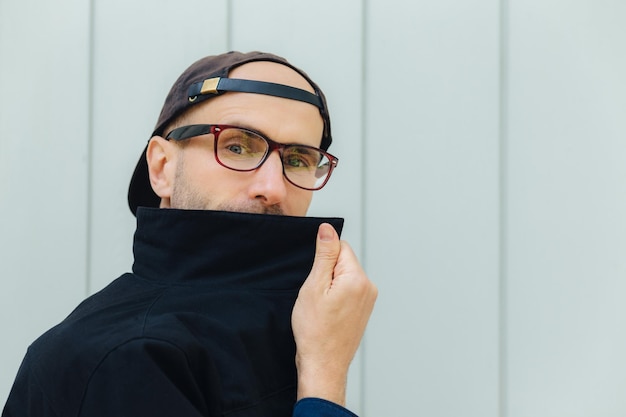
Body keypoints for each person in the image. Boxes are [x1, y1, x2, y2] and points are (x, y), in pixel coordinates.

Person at [2, 51, 377, 417]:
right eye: (237, 146)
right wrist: (323, 378)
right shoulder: (131, 358)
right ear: (162, 167)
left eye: (297, 159)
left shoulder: (305, 325)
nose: (273, 188)